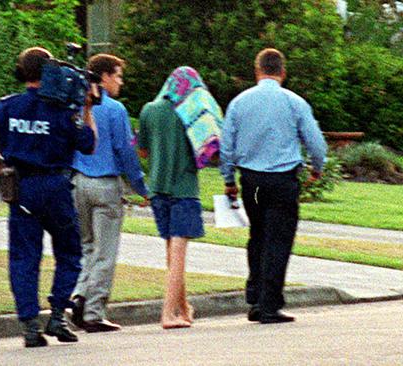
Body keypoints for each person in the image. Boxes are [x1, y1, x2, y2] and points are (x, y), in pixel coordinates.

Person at [0, 47, 97, 347]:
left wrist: (0, 161)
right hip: (56, 188)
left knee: (24, 258)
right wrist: (87, 109)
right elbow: (88, 144)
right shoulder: (65, 111)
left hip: (22, 188)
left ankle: (29, 325)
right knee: (69, 252)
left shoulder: (8, 107)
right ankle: (57, 314)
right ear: (50, 71)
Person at [220, 48, 327, 324]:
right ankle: (270, 304)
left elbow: (226, 146)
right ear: (283, 72)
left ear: (257, 71)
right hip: (282, 180)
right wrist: (317, 167)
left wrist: (229, 179)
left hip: (252, 181)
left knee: (258, 235)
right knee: (278, 239)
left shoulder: (239, 103)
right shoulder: (295, 102)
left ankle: (255, 297)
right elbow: (315, 141)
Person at [138, 66, 222, 329]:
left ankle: (183, 308)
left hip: (158, 188)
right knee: (179, 255)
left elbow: (142, 151)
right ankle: (167, 314)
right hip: (184, 189)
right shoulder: (192, 113)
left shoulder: (149, 110)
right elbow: (208, 150)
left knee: (172, 255)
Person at [70, 54, 149, 333]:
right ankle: (94, 311)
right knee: (105, 250)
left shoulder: (77, 104)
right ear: (103, 77)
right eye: (117, 76)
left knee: (87, 246)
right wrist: (141, 187)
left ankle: (79, 294)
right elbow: (125, 152)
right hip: (105, 182)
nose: (120, 82)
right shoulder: (114, 109)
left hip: (78, 180)